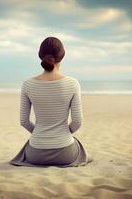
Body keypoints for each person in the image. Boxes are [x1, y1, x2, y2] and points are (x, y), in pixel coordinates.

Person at [10, 37, 93, 167]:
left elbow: (24, 122)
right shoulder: (72, 83)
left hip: (36, 154)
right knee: (80, 148)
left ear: (40, 56)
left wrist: (40, 133)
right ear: (62, 56)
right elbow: (77, 122)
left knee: (28, 146)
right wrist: (63, 133)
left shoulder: (28, 84)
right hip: (65, 153)